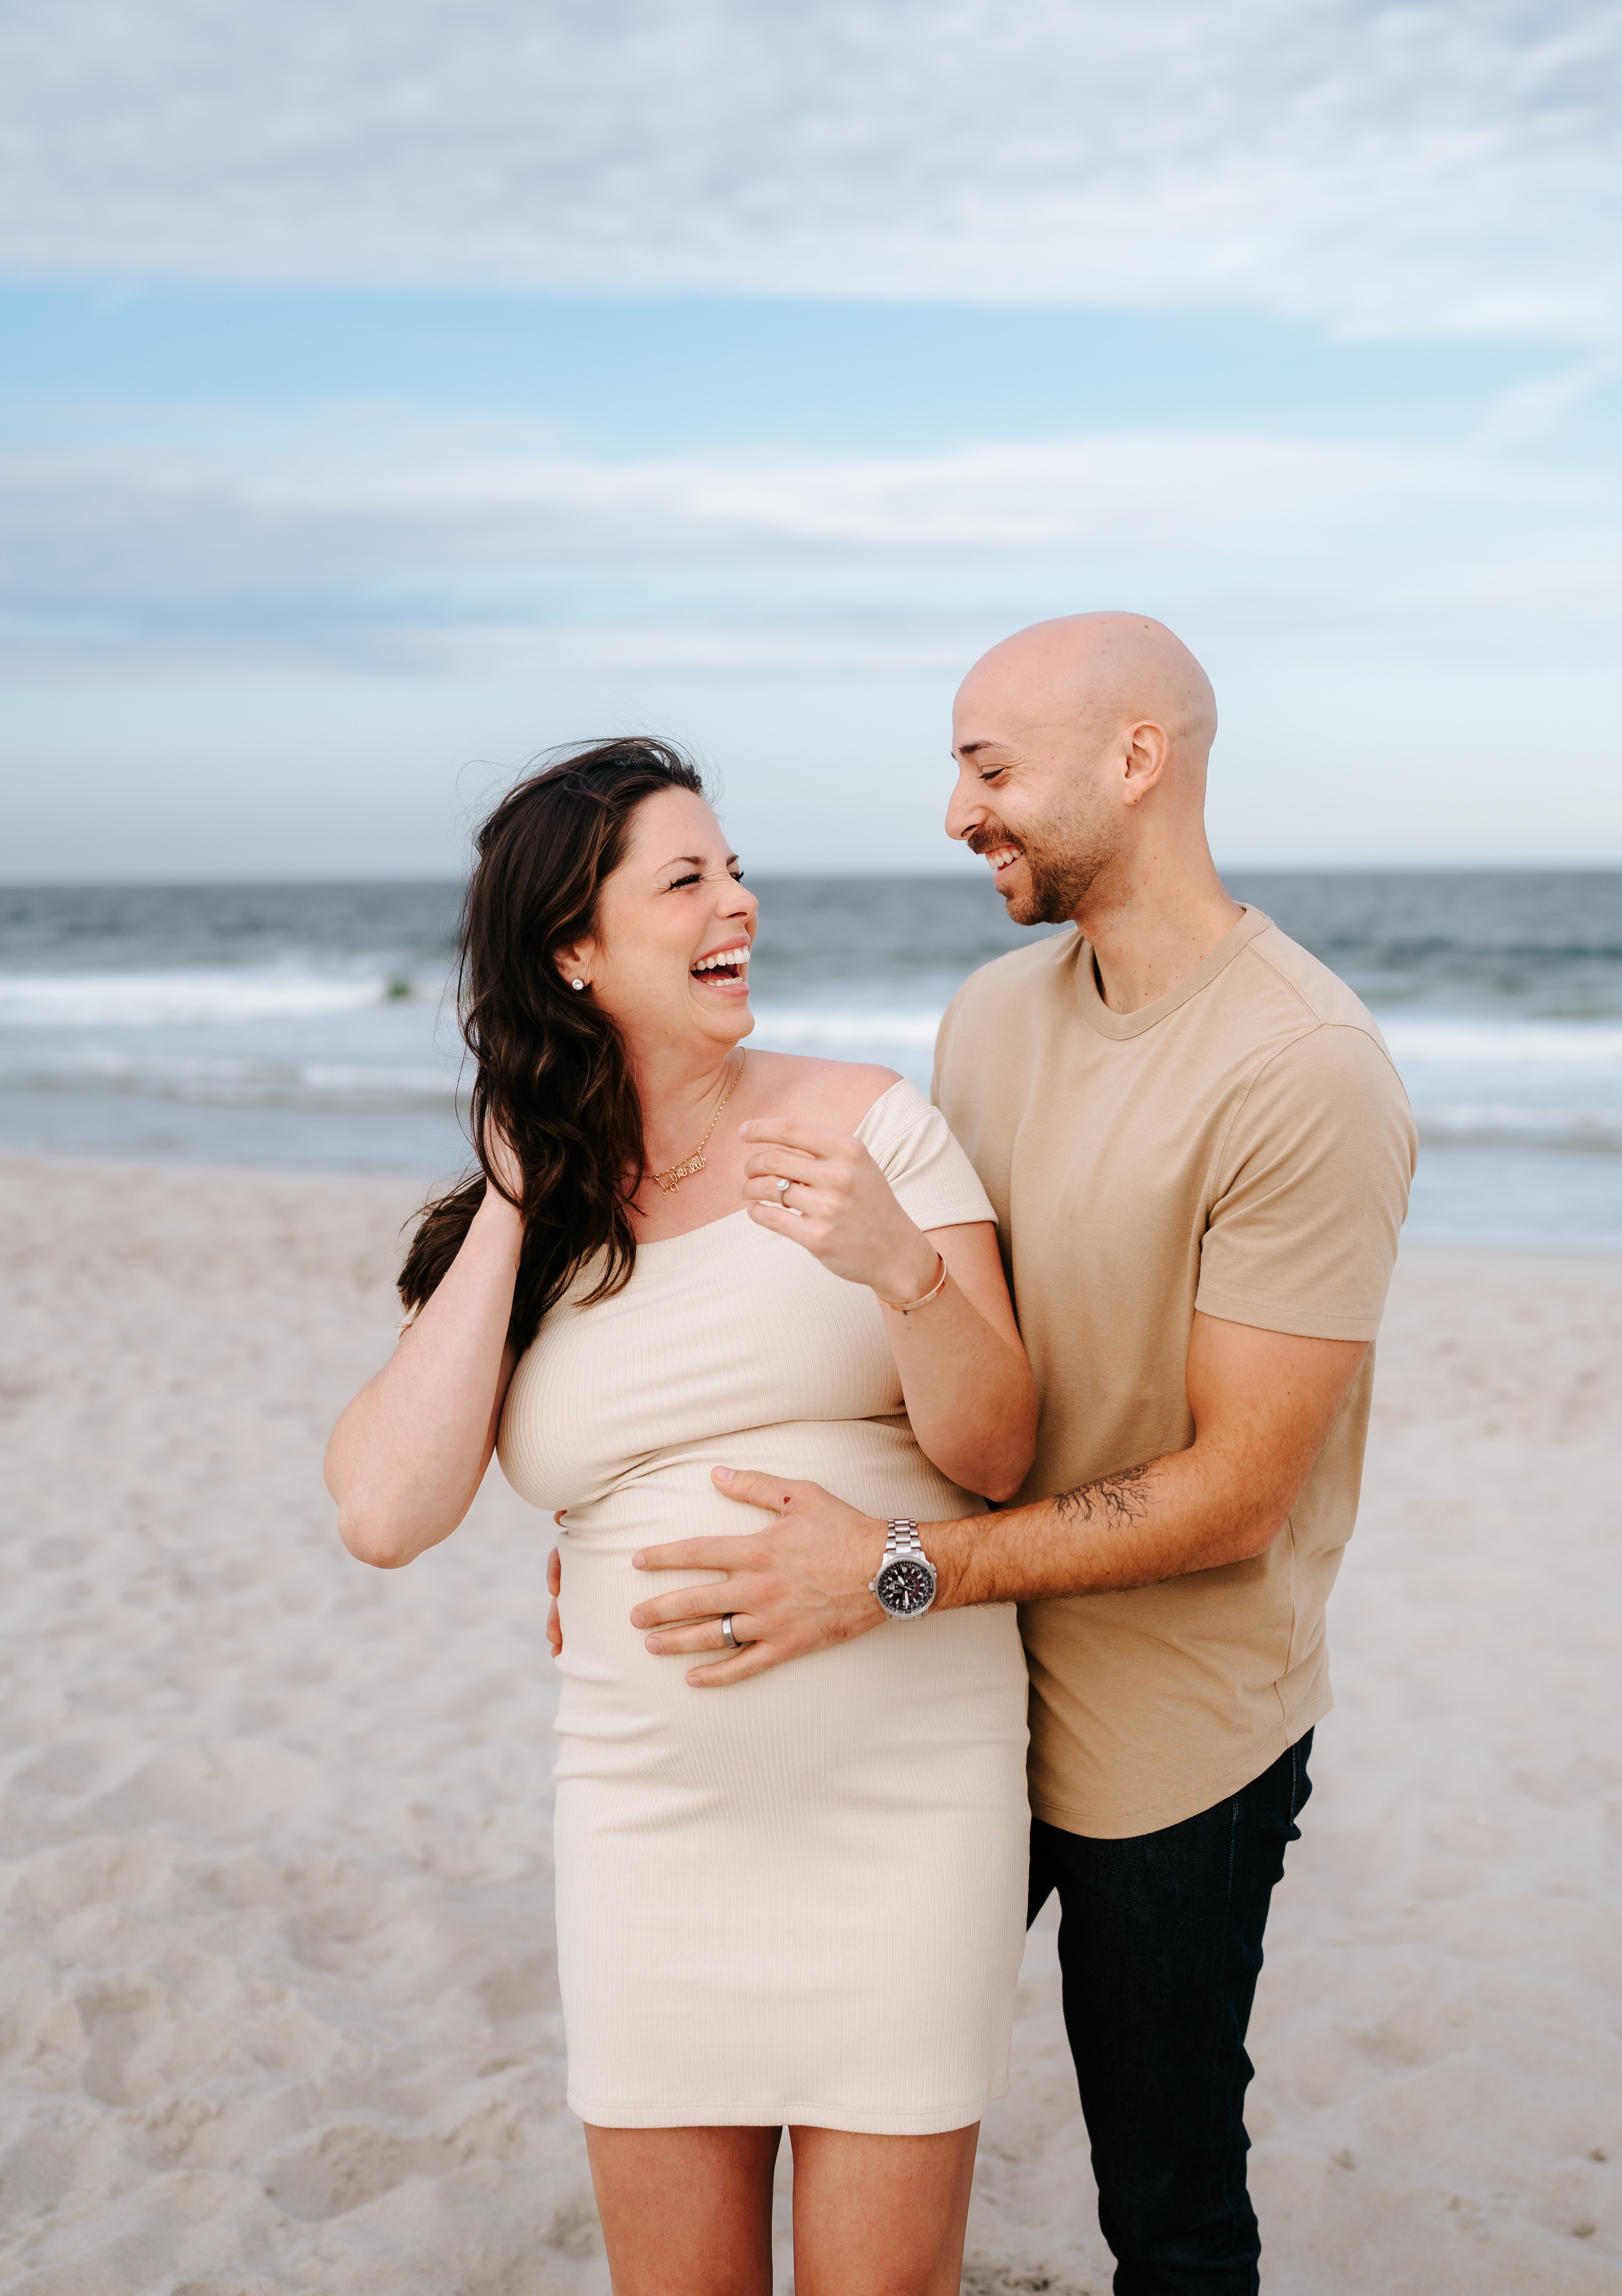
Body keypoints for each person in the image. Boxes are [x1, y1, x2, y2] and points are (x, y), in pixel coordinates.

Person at [618, 618, 1418, 2294]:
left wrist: (893, 1569)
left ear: (1138, 760)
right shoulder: (990, 1017)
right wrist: (635, 1527)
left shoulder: (1306, 1071)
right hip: (944, 1693)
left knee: (1169, 2198)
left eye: (990, 768)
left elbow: (1235, 1491)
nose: (959, 811)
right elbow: (926, 1336)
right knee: (842, 2087)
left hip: (1169, 1742)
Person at [323, 737, 1038, 2296]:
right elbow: (383, 1512)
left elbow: (996, 1455)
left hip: (908, 1811)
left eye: (736, 868)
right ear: (573, 951)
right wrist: (516, 1194)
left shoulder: (871, 1126)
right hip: (648, 1825)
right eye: (690, 880)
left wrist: (896, 1265)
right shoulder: (535, 1213)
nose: (743, 905)